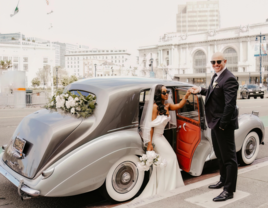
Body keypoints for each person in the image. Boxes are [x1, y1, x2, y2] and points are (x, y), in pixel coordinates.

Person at [190, 52, 239, 202]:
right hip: (215, 123)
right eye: (213, 62)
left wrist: (223, 125)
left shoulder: (229, 78)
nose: (215, 64)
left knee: (229, 158)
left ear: (225, 61)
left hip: (223, 124)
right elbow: (213, 93)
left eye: (218, 61)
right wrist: (200, 90)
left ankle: (228, 190)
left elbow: (230, 105)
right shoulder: (216, 76)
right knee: (220, 154)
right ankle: (223, 180)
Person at [137, 84, 192, 199]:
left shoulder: (167, 106)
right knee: (171, 157)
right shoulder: (154, 107)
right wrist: (150, 144)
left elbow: (179, 105)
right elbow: (151, 127)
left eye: (167, 92)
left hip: (161, 136)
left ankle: (168, 186)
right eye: (164, 92)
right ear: (158, 94)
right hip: (156, 138)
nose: (167, 94)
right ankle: (167, 187)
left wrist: (187, 95)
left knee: (167, 160)